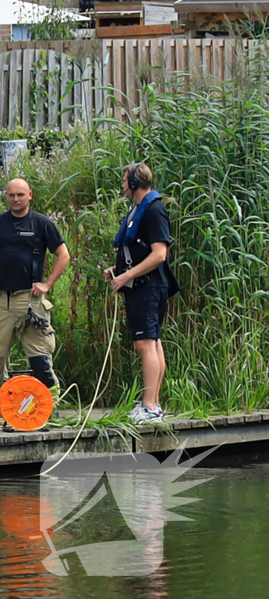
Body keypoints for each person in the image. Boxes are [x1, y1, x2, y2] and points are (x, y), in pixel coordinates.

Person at [0, 179, 71, 419]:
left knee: (39, 356)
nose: (16, 199)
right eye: (11, 195)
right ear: (6, 197)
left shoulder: (42, 224)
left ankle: (50, 402)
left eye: (20, 195)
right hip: (2, 299)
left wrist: (47, 284)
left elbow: (63, 255)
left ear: (30, 195)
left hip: (31, 301)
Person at [104, 163, 179, 425]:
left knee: (146, 343)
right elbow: (140, 250)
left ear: (135, 183)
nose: (123, 185)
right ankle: (153, 404)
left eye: (125, 180)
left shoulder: (154, 209)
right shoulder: (138, 209)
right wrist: (118, 269)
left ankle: (149, 407)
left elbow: (159, 254)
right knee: (152, 342)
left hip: (148, 286)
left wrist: (128, 275)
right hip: (141, 284)